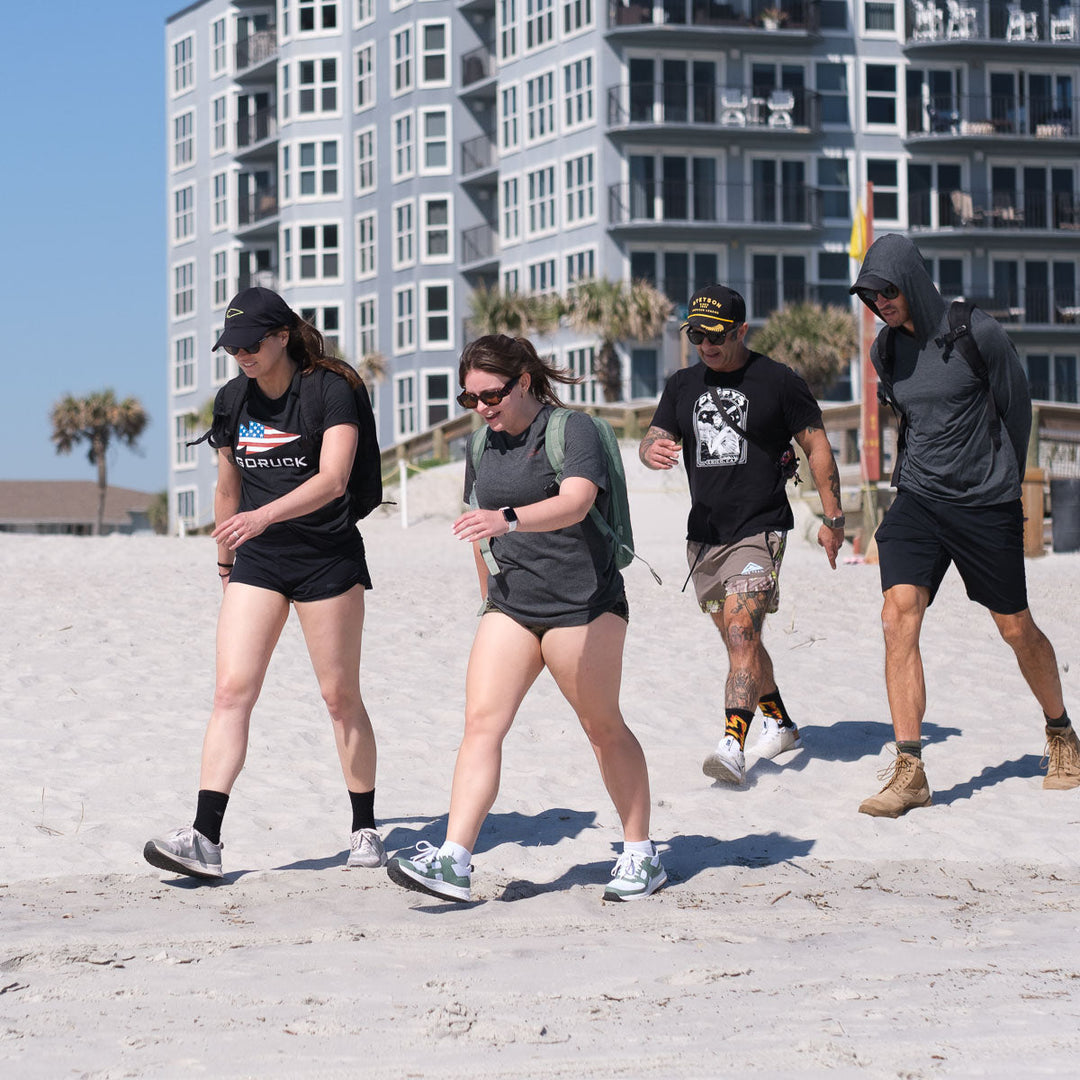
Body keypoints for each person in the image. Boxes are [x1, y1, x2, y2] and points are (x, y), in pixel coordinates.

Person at [386, 334, 666, 903]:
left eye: (491, 394)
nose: (482, 407)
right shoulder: (480, 446)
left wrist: (508, 520)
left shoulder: (571, 431)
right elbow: (475, 522)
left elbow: (577, 501)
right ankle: (454, 860)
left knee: (601, 727)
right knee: (481, 726)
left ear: (523, 382)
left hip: (585, 606)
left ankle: (640, 853)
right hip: (512, 606)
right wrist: (488, 593)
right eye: (469, 399)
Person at [144, 287, 385, 878]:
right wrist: (227, 557)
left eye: (252, 344)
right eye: (233, 348)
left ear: (281, 336)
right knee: (231, 692)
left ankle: (364, 827)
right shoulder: (233, 398)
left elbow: (333, 480)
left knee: (339, 698)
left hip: (327, 559)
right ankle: (205, 837)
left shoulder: (330, 388)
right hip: (258, 561)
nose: (243, 355)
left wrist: (263, 516)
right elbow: (228, 486)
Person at [850, 233, 1077, 816]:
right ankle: (910, 768)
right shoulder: (884, 351)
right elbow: (911, 419)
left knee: (1016, 630)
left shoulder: (975, 331)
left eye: (889, 292)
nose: (881, 304)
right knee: (897, 613)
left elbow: (1016, 407)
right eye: (871, 297)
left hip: (984, 504)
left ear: (912, 280)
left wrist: (1003, 486)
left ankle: (1061, 734)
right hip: (920, 500)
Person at [639, 285, 845, 785]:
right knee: (742, 643)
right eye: (696, 335)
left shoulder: (779, 381)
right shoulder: (682, 384)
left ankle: (732, 744)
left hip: (761, 529)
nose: (705, 344)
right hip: (705, 538)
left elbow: (817, 447)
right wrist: (652, 451)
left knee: (741, 633)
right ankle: (781, 723)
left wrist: (833, 519)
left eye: (715, 335)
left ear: (741, 331)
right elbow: (655, 435)